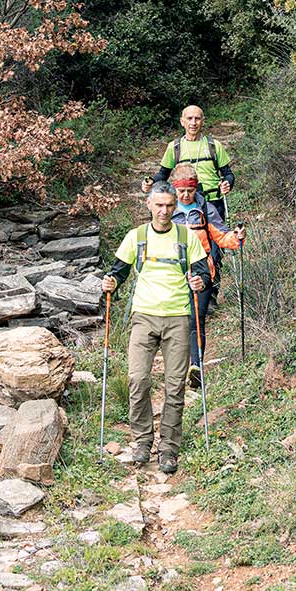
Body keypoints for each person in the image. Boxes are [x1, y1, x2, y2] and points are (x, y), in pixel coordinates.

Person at [101, 182, 210, 473]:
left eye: (169, 206)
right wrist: (110, 283)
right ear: (149, 205)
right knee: (138, 380)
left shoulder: (187, 237)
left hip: (177, 317)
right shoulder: (136, 237)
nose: (164, 211)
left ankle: (168, 449)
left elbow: (202, 274)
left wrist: (199, 282)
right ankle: (141, 443)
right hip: (144, 317)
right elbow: (118, 272)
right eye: (159, 205)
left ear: (175, 207)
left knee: (175, 387)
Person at [168, 166, 245, 386]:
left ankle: (196, 367)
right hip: (173, 275)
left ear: (195, 188)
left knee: (196, 320)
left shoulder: (205, 208)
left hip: (203, 271)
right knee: (176, 322)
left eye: (189, 191)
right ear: (175, 189)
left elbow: (221, 236)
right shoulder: (166, 209)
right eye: (181, 190)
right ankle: (176, 366)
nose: (185, 195)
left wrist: (236, 238)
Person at [142, 105, 235, 221]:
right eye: (189, 118)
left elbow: (229, 174)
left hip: (213, 203)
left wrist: (227, 183)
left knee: (216, 238)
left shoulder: (214, 145)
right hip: (184, 205)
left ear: (203, 121)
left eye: (197, 118)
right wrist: (152, 181)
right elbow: (163, 174)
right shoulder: (175, 147)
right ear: (182, 121)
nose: (193, 123)